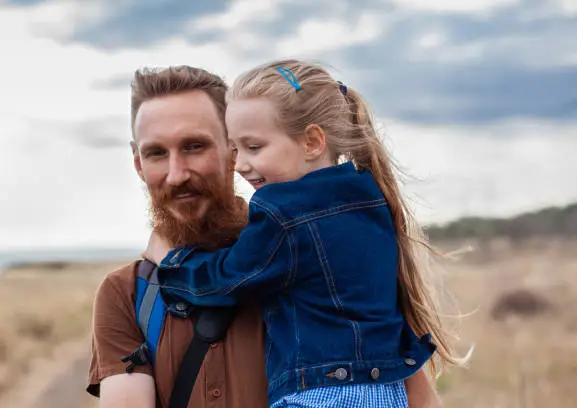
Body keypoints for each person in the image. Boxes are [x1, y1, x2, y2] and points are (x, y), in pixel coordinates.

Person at [148, 60, 459, 407]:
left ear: (311, 141)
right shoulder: (369, 198)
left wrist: (170, 260)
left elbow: (228, 281)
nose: (240, 164)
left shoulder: (283, 214)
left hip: (321, 394)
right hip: (387, 393)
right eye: (235, 148)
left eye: (254, 147)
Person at [87, 66, 269, 408]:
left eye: (194, 146)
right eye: (156, 153)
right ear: (139, 164)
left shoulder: (296, 257)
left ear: (234, 150)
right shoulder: (127, 293)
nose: (176, 175)